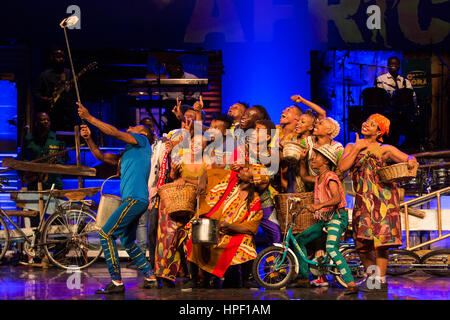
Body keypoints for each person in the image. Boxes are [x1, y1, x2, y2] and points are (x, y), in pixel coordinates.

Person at [77, 102, 156, 294]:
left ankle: (117, 282)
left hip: (135, 199)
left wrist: (89, 118)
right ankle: (150, 277)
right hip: (134, 200)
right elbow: (101, 156)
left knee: (105, 233)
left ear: (142, 133)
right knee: (128, 242)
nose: (129, 128)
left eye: (133, 127)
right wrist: (88, 139)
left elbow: (114, 132)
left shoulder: (143, 142)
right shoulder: (127, 154)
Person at [337, 113, 418, 292]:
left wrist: (412, 162)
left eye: (371, 124)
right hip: (363, 201)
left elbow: (409, 159)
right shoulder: (352, 145)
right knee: (362, 245)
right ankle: (371, 278)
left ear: (379, 131)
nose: (366, 124)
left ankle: (378, 282)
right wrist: (358, 148)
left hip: (384, 201)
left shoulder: (384, 149)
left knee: (381, 243)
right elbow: (341, 168)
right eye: (366, 121)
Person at [296, 144, 363, 294]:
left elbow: (337, 198)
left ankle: (350, 282)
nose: (313, 158)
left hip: (337, 218)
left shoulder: (330, 177)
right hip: (325, 219)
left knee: (331, 247)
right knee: (300, 239)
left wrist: (318, 206)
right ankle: (303, 277)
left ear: (326, 161)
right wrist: (301, 160)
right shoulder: (319, 177)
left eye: (317, 156)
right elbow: (304, 176)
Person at [184, 167, 263, 290]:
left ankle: (246, 279)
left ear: (252, 180)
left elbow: (251, 226)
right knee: (192, 235)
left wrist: (229, 226)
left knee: (247, 241)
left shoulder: (254, 199)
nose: (243, 169)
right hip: (213, 226)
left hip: (232, 233)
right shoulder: (230, 178)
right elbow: (208, 172)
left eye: (247, 171)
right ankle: (193, 279)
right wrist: (203, 182)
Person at [375, 56, 417, 147]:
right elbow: (380, 96)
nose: (393, 66)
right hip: (387, 112)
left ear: (399, 66)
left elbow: (412, 96)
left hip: (402, 113)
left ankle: (407, 146)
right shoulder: (381, 79)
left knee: (411, 124)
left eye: (396, 64)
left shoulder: (405, 81)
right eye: (391, 64)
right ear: (388, 66)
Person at [35, 47, 77, 132]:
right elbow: (37, 93)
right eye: (58, 57)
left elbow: (77, 93)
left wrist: (71, 89)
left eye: (62, 57)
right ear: (52, 58)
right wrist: (45, 99)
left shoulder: (69, 74)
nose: (61, 59)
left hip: (67, 115)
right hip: (51, 114)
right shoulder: (45, 75)